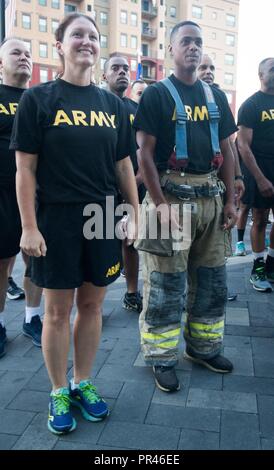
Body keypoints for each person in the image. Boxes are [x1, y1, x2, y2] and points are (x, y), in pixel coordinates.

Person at [10, 13, 139, 434]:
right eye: (77, 35)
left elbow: (123, 166)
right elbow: (25, 170)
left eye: (93, 36)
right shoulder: (38, 99)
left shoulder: (114, 106)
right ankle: (58, 388)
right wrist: (29, 226)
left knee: (93, 305)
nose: (86, 41)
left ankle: (84, 381)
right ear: (61, 45)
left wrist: (135, 213)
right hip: (57, 218)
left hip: (101, 216)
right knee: (56, 310)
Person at [134, 21, 237, 393]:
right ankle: (162, 358)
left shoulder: (215, 97)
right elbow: (143, 154)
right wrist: (159, 205)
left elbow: (226, 150)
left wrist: (230, 200)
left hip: (210, 198)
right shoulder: (156, 95)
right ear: (171, 50)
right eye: (185, 42)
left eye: (198, 42)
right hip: (170, 199)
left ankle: (204, 348)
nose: (193, 48)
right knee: (165, 284)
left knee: (211, 280)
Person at [0, 38, 43, 359]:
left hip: (35, 196)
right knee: (2, 263)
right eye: (16, 52)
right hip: (1, 195)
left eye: (28, 53)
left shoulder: (40, 99)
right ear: (1, 62)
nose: (24, 58)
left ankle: (32, 318)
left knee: (36, 259)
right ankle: (0, 323)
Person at [197, 54, 243, 301]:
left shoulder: (220, 99)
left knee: (219, 238)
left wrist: (238, 176)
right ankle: (190, 293)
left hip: (218, 180)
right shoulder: (179, 95)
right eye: (204, 67)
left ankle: (216, 289)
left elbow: (229, 144)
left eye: (212, 67)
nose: (208, 71)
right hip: (192, 182)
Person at [103, 55, 147, 313]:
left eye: (125, 69)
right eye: (115, 68)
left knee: (130, 241)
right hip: (100, 190)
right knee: (98, 241)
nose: (121, 72)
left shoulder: (135, 110)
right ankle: (94, 300)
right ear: (104, 75)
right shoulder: (94, 105)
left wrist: (135, 180)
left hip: (132, 187)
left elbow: (145, 150)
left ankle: (131, 292)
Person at [237, 57, 274, 293]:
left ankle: (271, 263)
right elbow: (243, 146)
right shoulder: (251, 105)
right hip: (260, 171)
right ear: (261, 75)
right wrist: (260, 178)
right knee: (260, 218)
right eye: (272, 69)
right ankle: (257, 268)